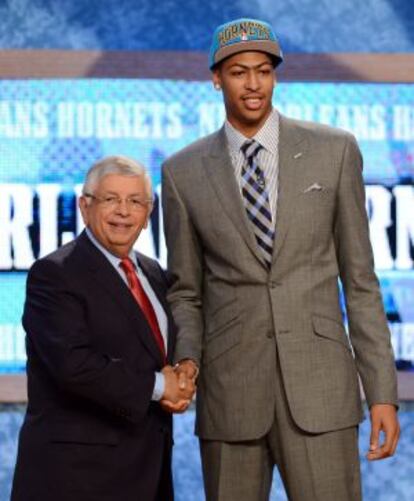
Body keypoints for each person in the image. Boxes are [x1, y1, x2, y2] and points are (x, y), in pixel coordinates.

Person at [162, 17, 400, 501]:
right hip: (231, 394)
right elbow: (186, 290)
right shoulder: (181, 172)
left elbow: (360, 282)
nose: (253, 84)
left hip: (321, 390)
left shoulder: (333, 151)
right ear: (215, 78)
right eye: (238, 72)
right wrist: (188, 357)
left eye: (264, 70)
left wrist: (382, 392)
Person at [11, 155, 195, 501]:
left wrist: (186, 373)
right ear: (84, 206)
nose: (124, 211)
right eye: (111, 199)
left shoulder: (154, 274)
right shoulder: (54, 274)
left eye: (135, 201)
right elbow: (74, 366)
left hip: (147, 475)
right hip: (76, 480)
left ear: (147, 214)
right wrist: (161, 386)